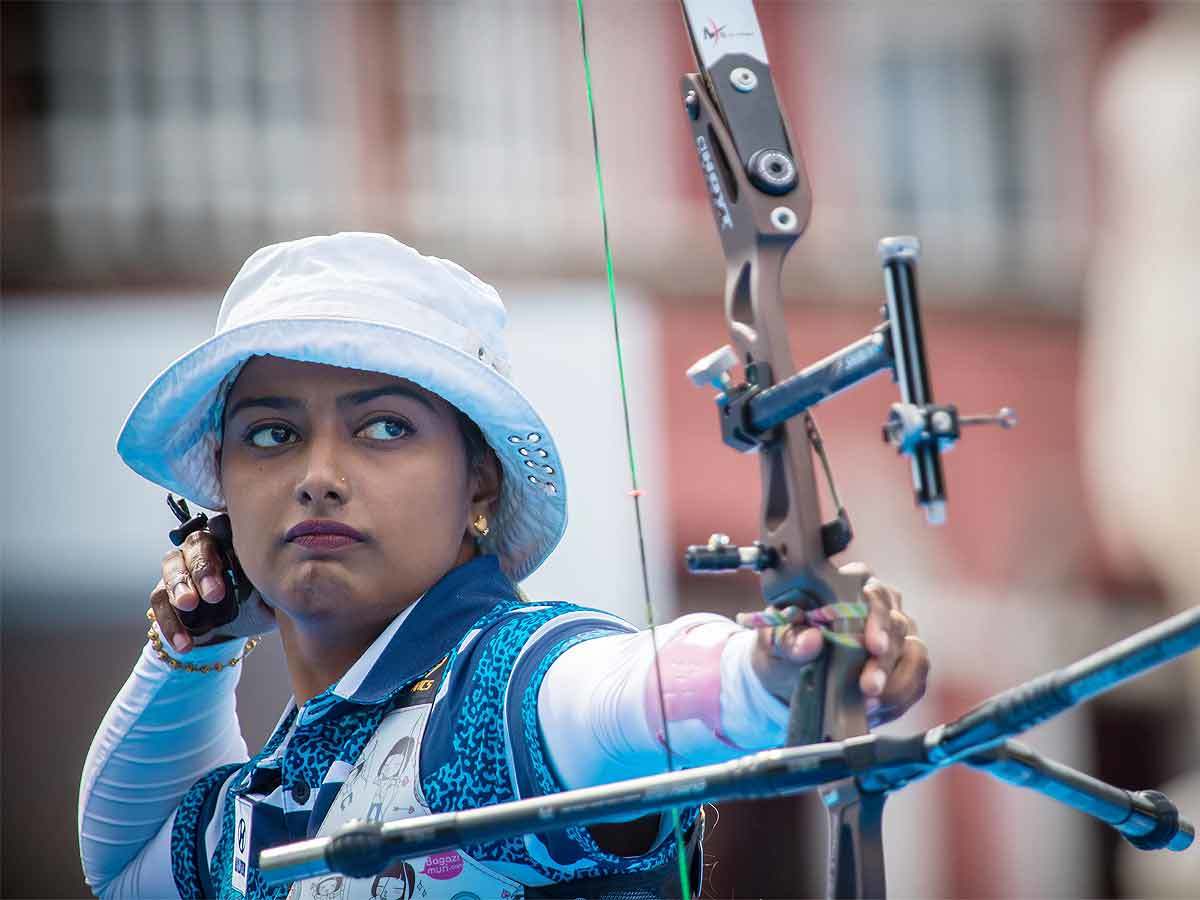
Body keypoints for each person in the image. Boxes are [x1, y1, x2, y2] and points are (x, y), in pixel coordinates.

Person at [77, 232, 930, 899]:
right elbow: (122, 868)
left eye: (383, 428)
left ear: (477, 476)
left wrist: (782, 665)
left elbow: (622, 696)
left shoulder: (495, 689)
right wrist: (193, 645)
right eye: (272, 435)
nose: (318, 477)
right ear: (223, 490)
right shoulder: (277, 787)